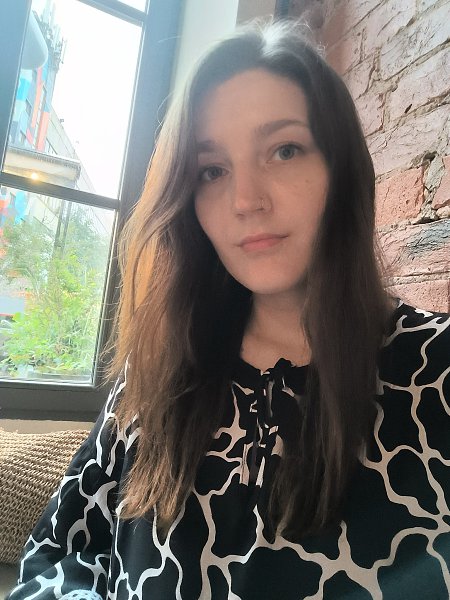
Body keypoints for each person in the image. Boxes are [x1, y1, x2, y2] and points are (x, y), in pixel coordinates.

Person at [8, 20, 450, 600]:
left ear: (341, 169)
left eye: (284, 150)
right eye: (211, 171)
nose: (245, 200)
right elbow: (58, 557)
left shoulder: (436, 370)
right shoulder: (157, 371)